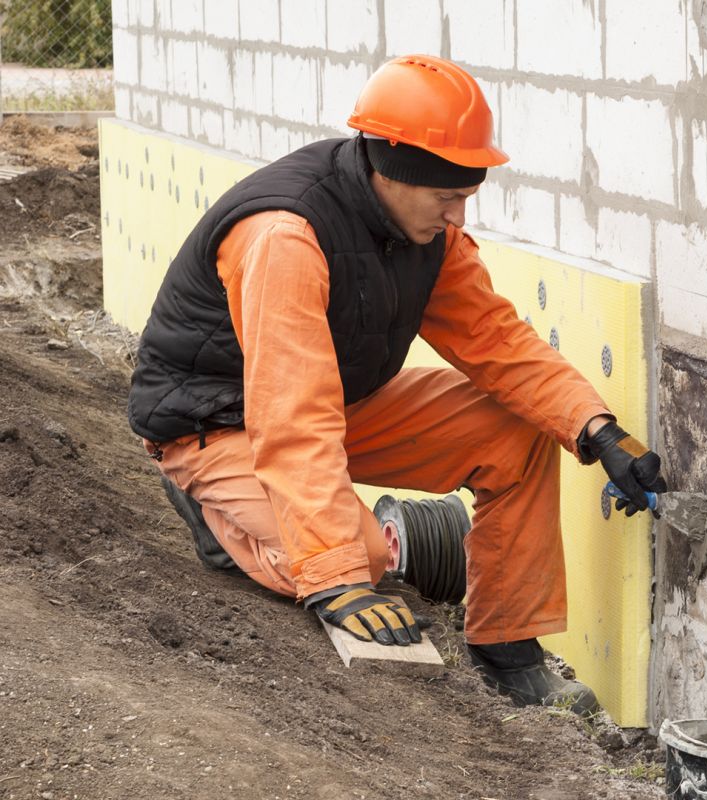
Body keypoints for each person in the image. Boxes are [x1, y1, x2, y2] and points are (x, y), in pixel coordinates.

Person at [126, 55, 666, 718]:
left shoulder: (425, 229)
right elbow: (291, 415)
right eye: (448, 196)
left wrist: (596, 429)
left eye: (466, 194)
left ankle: (507, 652)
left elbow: (496, 341)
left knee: (518, 434)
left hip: (333, 401)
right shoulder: (286, 236)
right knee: (353, 561)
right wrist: (341, 580)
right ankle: (215, 511)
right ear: (397, 167)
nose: (459, 212)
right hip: (215, 423)